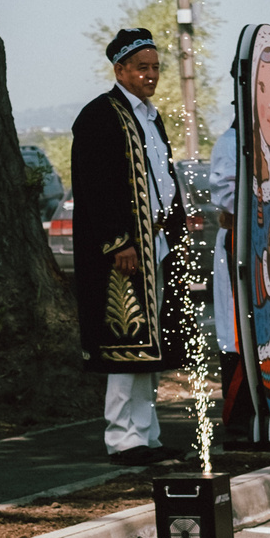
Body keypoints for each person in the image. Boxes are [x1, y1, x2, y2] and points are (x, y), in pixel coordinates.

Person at [71, 28, 188, 462]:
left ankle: (146, 433)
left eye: (156, 68)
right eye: (143, 68)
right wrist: (120, 241)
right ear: (120, 69)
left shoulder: (151, 117)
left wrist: (175, 226)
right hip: (124, 249)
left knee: (149, 346)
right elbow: (96, 188)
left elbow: (163, 180)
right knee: (126, 344)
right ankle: (123, 437)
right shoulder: (99, 116)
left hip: (155, 241)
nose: (151, 75)